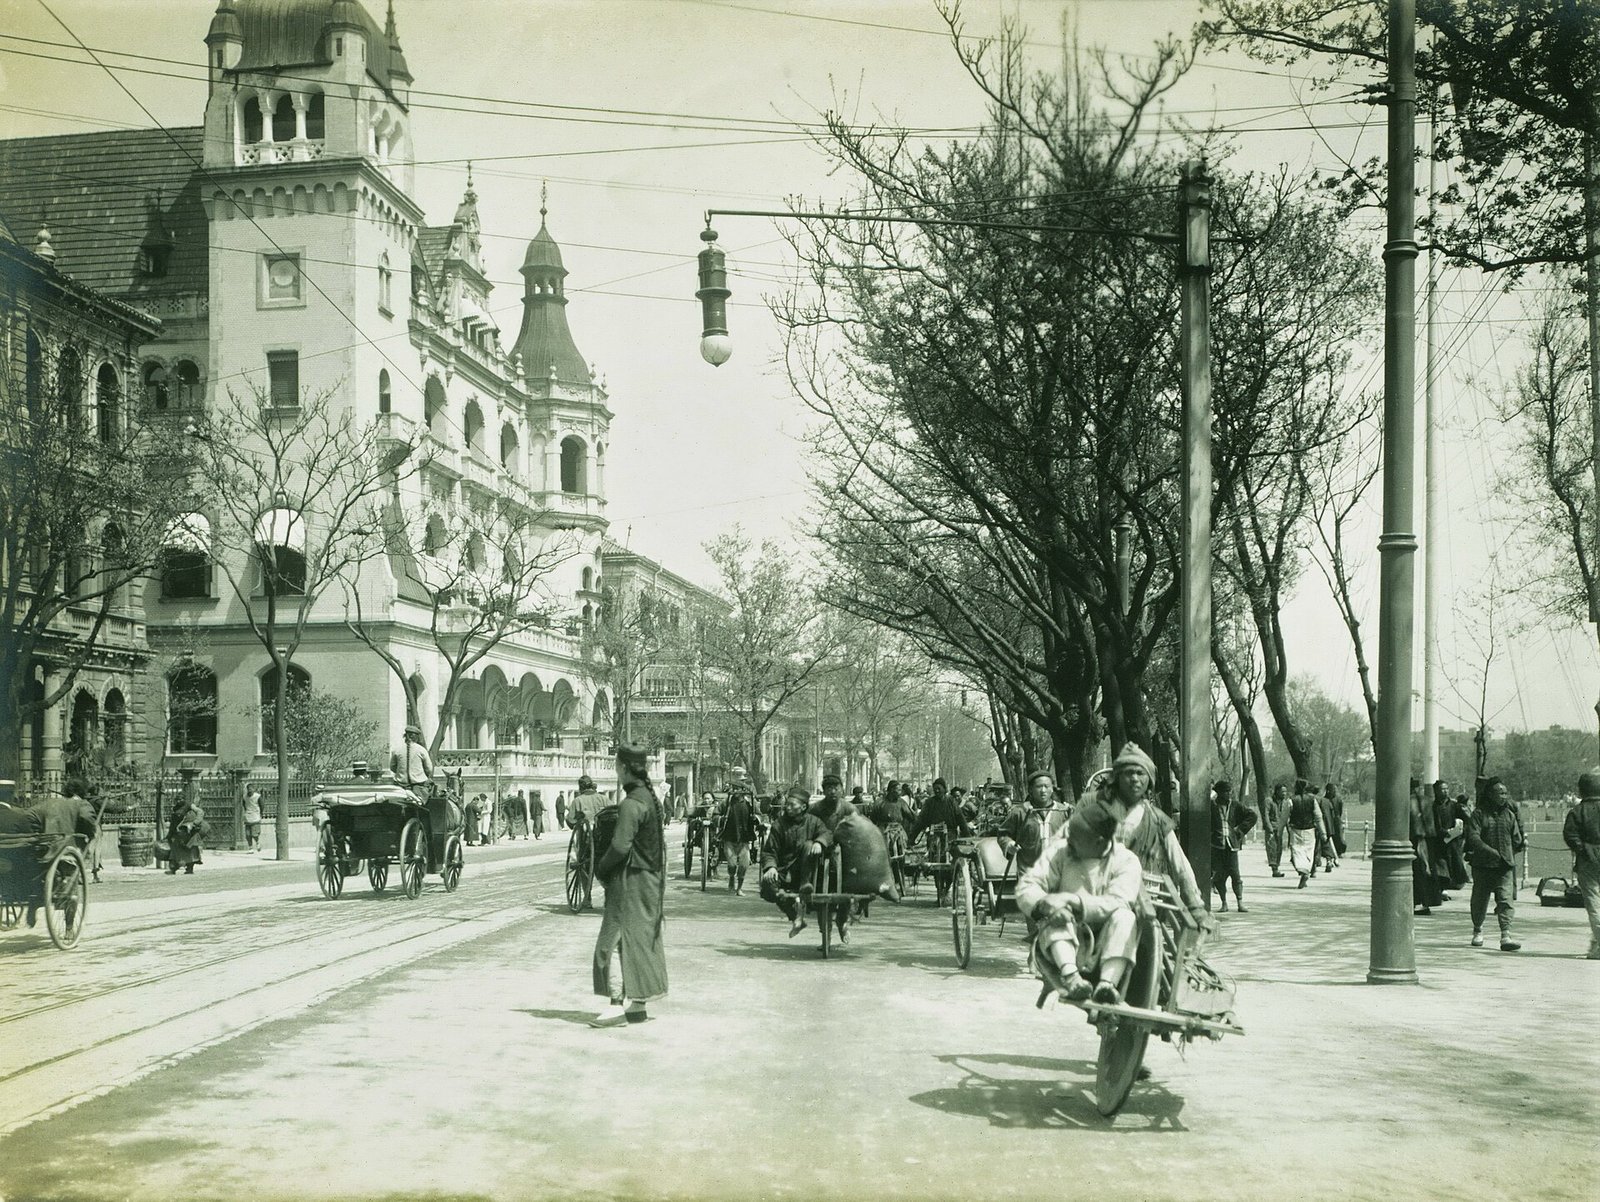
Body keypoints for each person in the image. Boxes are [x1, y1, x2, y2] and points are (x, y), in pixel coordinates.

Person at [1016, 800, 1141, 1006]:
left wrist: (1074, 901)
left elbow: (1119, 900)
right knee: (1058, 915)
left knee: (1125, 916)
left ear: (1100, 841)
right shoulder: (1062, 852)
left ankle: (1107, 985)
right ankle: (1072, 979)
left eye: (1078, 839)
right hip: (1063, 941)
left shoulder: (1126, 860)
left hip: (1105, 940)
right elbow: (1027, 886)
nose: (1070, 843)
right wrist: (1043, 903)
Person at [590, 742, 668, 1028]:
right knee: (640, 941)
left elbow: (620, 847)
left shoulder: (631, 804)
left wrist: (602, 867)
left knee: (612, 941)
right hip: (650, 880)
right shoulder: (650, 798)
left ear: (623, 768)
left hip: (630, 880)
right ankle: (638, 1004)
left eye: (617, 766)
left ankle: (614, 1005)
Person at [1098, 743, 1209, 929]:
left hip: (1147, 899)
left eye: (1141, 774)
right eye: (1128, 773)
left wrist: (1195, 905)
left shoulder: (1158, 820)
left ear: (1149, 781)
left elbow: (1180, 864)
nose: (1134, 779)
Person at [22, 777, 97, 925]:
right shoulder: (81, 804)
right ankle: (69, 928)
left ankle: (35, 902)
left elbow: (28, 815)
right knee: (71, 890)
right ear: (82, 792)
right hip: (67, 853)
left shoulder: (49, 803)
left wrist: (38, 833)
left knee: (41, 880)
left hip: (44, 852)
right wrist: (90, 832)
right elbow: (87, 818)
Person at [759, 786, 831, 937]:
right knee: (768, 886)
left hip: (810, 873)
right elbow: (769, 850)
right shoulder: (779, 825)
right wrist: (771, 867)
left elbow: (826, 833)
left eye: (792, 805)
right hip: (785, 870)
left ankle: (805, 885)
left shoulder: (814, 822)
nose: (788, 807)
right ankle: (796, 917)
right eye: (787, 804)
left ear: (803, 807)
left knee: (809, 845)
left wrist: (819, 842)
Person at [1466, 776, 1524, 951]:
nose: (1503, 796)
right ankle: (1477, 930)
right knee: (1479, 901)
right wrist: (1489, 851)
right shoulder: (1478, 814)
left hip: (1504, 866)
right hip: (1482, 866)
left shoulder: (1509, 815)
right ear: (1490, 794)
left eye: (1505, 793)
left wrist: (1511, 851)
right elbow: (1473, 837)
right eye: (1500, 793)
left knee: (1505, 900)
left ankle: (1506, 935)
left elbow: (1517, 838)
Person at [997, 771, 1072, 877]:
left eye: (1047, 786)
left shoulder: (1063, 811)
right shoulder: (1019, 812)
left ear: (1052, 789)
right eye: (1038, 787)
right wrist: (1010, 845)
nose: (1043, 791)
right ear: (1030, 790)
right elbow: (1003, 834)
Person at [1561, 768, 1600, 960]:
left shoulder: (1577, 811)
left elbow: (1570, 835)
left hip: (1588, 860)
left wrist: (1583, 849)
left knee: (1594, 904)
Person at [1210, 780, 1257, 912]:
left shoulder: (1236, 805)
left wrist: (1240, 831)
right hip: (1216, 845)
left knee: (1235, 874)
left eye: (1230, 791)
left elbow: (1252, 816)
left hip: (1231, 845)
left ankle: (1240, 902)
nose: (1229, 794)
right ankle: (1224, 903)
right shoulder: (1211, 806)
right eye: (1226, 791)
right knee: (1219, 876)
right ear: (1218, 792)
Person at [1410, 778, 1443, 914]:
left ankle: (1419, 902)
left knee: (1418, 872)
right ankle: (1429, 901)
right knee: (1428, 870)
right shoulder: (1428, 801)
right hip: (1429, 838)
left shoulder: (1408, 801)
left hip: (1415, 839)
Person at [1286, 778, 1326, 889]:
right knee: (1308, 853)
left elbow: (1284, 818)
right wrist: (1323, 832)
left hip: (1295, 830)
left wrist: (1279, 832)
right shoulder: (1312, 800)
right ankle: (1306, 871)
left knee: (1296, 852)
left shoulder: (1291, 800)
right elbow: (1318, 817)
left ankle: (1303, 872)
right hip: (1310, 831)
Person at [720, 783, 758, 895]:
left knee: (744, 864)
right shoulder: (726, 803)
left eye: (738, 789)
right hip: (729, 838)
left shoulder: (750, 803)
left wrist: (756, 818)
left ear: (743, 790)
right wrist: (722, 819)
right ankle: (731, 878)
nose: (736, 791)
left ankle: (739, 888)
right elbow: (716, 815)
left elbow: (760, 815)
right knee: (731, 864)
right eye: (734, 789)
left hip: (744, 839)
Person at [1434, 780, 1470, 890]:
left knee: (1454, 862)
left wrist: (1459, 830)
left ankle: (1455, 883)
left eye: (1446, 789)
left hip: (1453, 839)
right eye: (1442, 789)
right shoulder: (1433, 806)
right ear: (1436, 791)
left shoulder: (1454, 805)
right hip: (1439, 839)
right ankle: (1443, 887)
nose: (1445, 791)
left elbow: (1467, 820)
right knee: (1440, 864)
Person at [165, 792, 207, 875]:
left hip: (189, 832)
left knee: (190, 850)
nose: (179, 801)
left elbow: (200, 812)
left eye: (181, 799)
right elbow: (174, 822)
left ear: (184, 799)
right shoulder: (175, 808)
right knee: (175, 850)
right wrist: (169, 834)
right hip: (178, 833)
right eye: (177, 800)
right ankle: (173, 868)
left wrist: (194, 823)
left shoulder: (189, 805)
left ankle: (189, 868)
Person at [394, 724, 434, 803]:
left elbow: (392, 767)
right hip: (418, 787)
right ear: (415, 737)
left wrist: (402, 772)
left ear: (405, 736)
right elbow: (429, 769)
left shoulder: (397, 750)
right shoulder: (421, 750)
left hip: (400, 785)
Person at [1318, 782, 1344, 873]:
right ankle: (1332, 858)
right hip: (1328, 823)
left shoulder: (1338, 799)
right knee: (1328, 841)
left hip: (1335, 821)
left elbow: (1339, 811)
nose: (1335, 792)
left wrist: (1337, 819)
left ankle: (1335, 855)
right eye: (1333, 790)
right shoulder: (1324, 800)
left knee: (1338, 839)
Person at [1263, 783, 1288, 877]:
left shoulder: (1285, 802)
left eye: (1285, 791)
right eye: (1282, 791)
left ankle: (1276, 867)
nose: (1284, 793)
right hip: (1272, 828)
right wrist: (1269, 828)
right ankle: (1275, 869)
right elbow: (1265, 815)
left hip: (1280, 829)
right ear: (1277, 791)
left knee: (1279, 849)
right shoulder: (1269, 801)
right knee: (1272, 848)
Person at [242, 784, 263, 852]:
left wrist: (260, 813)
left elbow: (262, 805)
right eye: (248, 789)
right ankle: (250, 847)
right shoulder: (245, 797)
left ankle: (257, 843)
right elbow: (244, 804)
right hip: (248, 816)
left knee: (254, 834)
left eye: (251, 789)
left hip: (255, 816)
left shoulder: (257, 796)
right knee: (248, 834)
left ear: (254, 789)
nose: (250, 790)